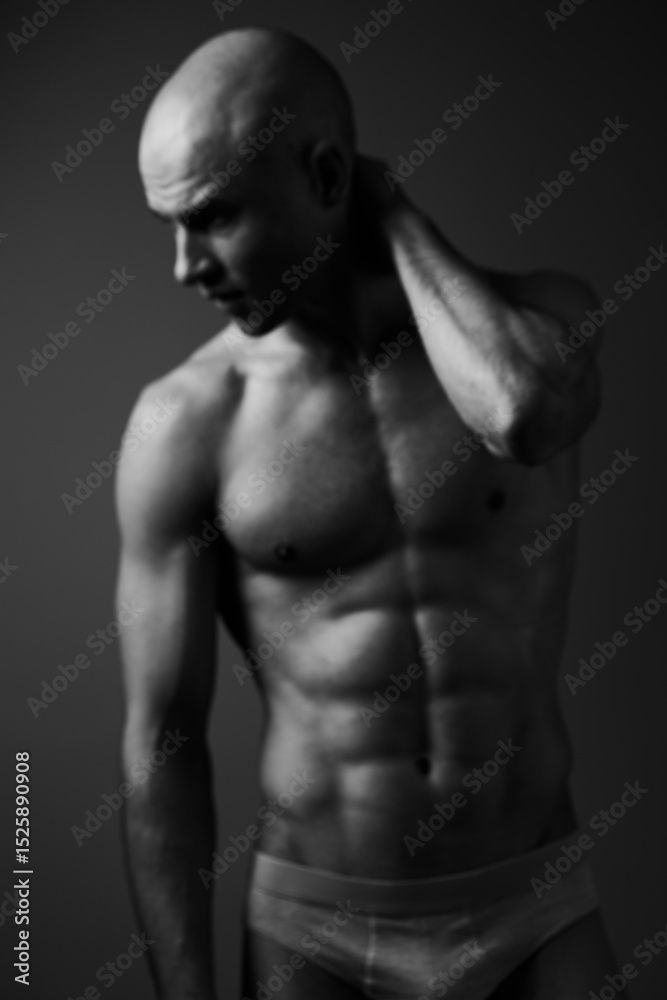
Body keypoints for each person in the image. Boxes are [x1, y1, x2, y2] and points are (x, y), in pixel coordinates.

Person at [114, 25, 618, 1000]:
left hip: (536, 904)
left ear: (327, 176)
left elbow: (521, 412)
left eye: (214, 217)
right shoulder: (186, 424)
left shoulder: (540, 322)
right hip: (319, 930)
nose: (184, 265)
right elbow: (161, 744)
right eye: (170, 225)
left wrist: (394, 215)